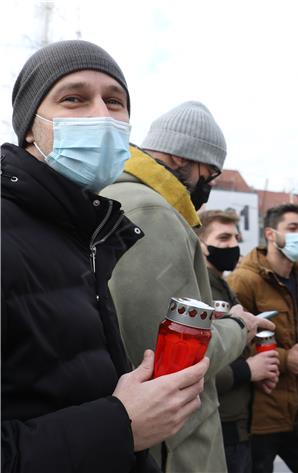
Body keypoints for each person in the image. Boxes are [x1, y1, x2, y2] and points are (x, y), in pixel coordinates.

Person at [1, 40, 211, 473]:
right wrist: (120, 424)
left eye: (115, 102)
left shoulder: (84, 232)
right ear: (28, 127)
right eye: (74, 99)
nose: (101, 114)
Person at [102, 101, 272, 472]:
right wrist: (240, 326)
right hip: (176, 447)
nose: (207, 187)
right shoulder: (154, 212)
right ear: (182, 159)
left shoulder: (118, 197)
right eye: (209, 174)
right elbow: (170, 354)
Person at [227, 204, 298, 473]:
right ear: (271, 234)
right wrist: (286, 359)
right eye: (293, 228)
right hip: (262, 416)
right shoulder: (244, 280)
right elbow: (232, 342)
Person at [196, 210, 280, 473]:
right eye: (223, 238)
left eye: (235, 237)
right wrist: (249, 370)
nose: (233, 245)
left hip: (240, 420)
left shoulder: (223, 284)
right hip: (221, 425)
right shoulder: (200, 289)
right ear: (201, 245)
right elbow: (197, 365)